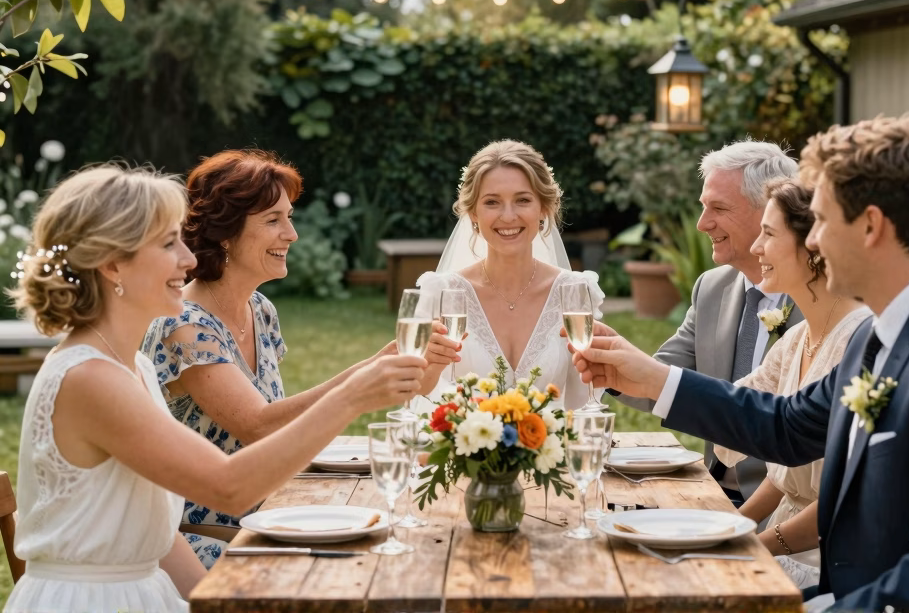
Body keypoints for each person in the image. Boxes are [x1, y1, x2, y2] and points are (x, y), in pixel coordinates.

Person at [570, 115, 909, 611]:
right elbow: (785, 426)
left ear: (871, 226)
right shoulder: (884, 333)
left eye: (823, 221)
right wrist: (654, 378)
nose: (811, 241)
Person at [5, 165, 424, 612]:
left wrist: (211, 605)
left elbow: (159, 538)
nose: (189, 260)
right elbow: (229, 488)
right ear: (112, 264)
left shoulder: (134, 367)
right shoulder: (91, 379)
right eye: (169, 243)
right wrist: (354, 395)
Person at [142, 149, 402, 567]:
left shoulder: (259, 310)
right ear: (225, 233)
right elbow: (258, 427)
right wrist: (362, 381)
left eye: (289, 216)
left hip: (269, 519)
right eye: (272, 220)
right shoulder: (184, 326)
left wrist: (379, 366)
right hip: (201, 541)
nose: (291, 234)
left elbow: (281, 421)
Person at [712, 178, 869, 588]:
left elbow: (845, 498)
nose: (755, 248)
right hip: (784, 542)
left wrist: (758, 545)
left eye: (768, 233)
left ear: (814, 245)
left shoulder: (860, 340)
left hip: (830, 560)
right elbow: (738, 411)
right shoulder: (798, 338)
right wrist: (727, 528)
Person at [642, 141, 802, 505]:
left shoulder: (822, 304)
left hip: (783, 506)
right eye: (703, 207)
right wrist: (601, 362)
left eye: (719, 208)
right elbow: (661, 375)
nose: (702, 224)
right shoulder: (712, 287)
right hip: (712, 491)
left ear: (769, 212)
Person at [412, 139, 604, 412]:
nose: (508, 216)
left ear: (544, 208)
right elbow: (418, 398)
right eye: (492, 202)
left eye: (523, 200)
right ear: (473, 213)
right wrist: (430, 364)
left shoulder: (575, 292)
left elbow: (587, 401)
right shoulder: (440, 293)